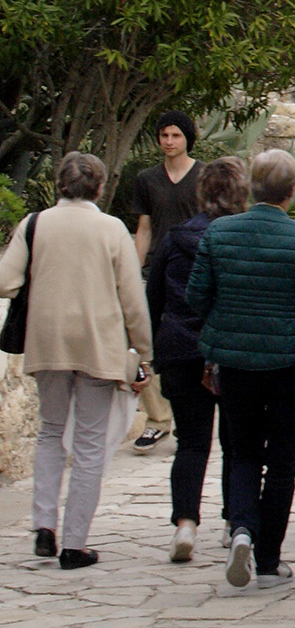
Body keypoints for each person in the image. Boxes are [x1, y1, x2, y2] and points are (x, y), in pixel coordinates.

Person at [188, 149, 295, 590]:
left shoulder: (219, 233)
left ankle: (241, 528)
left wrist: (222, 326)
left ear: (252, 186)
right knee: (282, 460)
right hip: (291, 363)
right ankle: (270, 560)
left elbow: (196, 295)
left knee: (243, 451)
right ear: (293, 191)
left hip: (236, 359)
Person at [0, 152, 154, 570]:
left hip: (47, 341)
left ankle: (43, 526)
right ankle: (74, 543)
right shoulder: (112, 229)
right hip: (98, 344)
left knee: (50, 432)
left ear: (59, 184)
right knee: (89, 444)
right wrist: (144, 352)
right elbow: (132, 299)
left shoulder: (35, 223)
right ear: (100, 187)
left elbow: (6, 280)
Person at [147, 155, 249, 563]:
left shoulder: (175, 239)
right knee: (236, 442)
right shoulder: (242, 239)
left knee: (191, 442)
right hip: (231, 349)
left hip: (181, 348)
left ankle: (185, 523)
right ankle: (233, 520)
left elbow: (154, 296)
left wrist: (155, 347)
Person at [130, 111, 203, 454]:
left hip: (196, 267)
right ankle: (158, 420)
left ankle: (192, 417)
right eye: (164, 135)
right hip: (157, 269)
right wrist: (133, 271)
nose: (169, 141)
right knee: (146, 341)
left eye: (176, 135)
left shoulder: (203, 175)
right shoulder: (147, 179)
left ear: (188, 138)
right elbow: (144, 228)